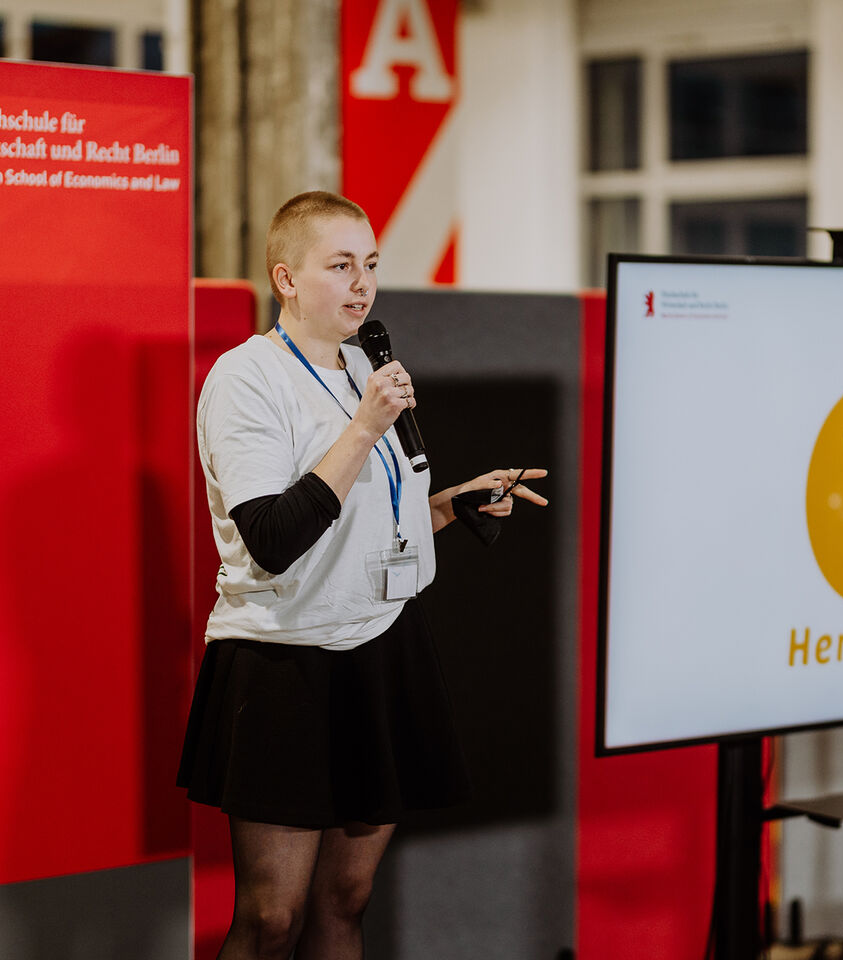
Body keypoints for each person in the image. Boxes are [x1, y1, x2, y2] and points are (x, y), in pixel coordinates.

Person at [177, 190, 548, 960]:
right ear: (286, 278)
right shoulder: (246, 379)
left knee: (347, 900)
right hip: (287, 661)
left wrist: (452, 504)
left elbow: (370, 523)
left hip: (384, 647)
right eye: (340, 265)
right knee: (272, 918)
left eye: (371, 265)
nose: (362, 285)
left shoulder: (362, 366)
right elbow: (275, 538)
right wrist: (363, 427)